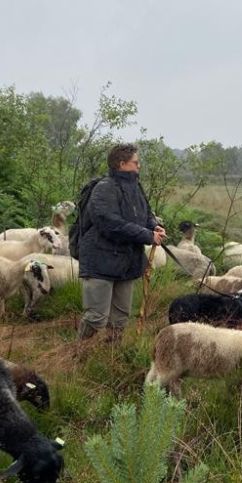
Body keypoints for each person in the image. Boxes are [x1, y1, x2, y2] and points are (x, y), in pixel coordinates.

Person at [77, 143, 165, 341]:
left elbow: (145, 214)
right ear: (121, 164)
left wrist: (153, 226)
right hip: (100, 261)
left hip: (127, 261)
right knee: (96, 317)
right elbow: (110, 223)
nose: (139, 166)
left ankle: (111, 359)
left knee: (119, 320)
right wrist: (145, 235)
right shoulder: (103, 189)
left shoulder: (135, 186)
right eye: (135, 162)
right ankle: (78, 355)